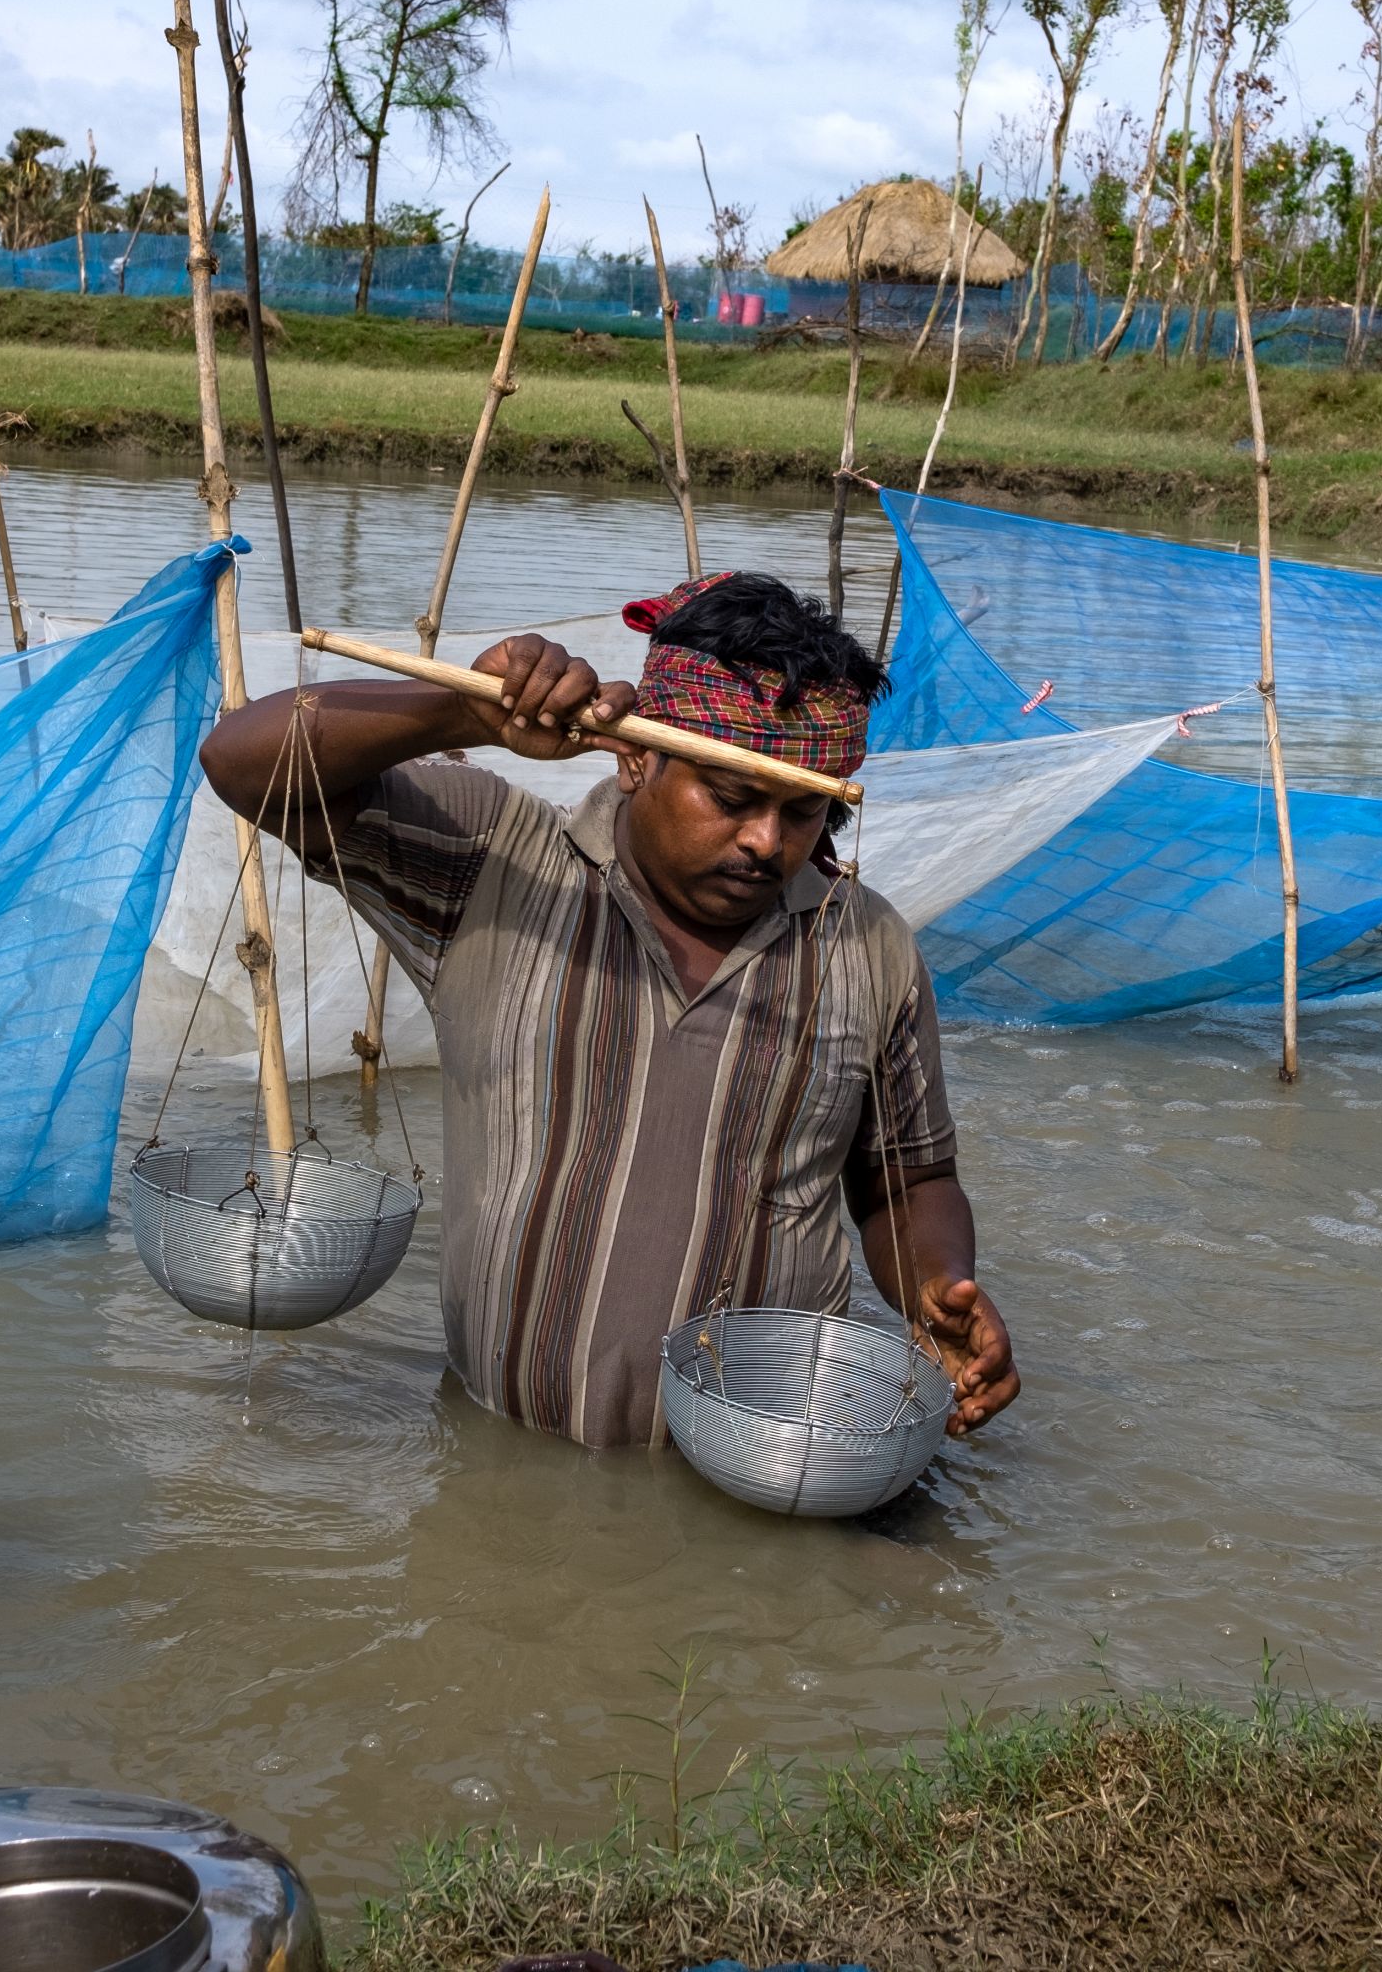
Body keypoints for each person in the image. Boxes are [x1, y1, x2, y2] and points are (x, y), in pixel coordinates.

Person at [197, 571, 1020, 1452]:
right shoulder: (493, 863)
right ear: (636, 757)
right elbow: (243, 764)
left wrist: (939, 1285)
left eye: (803, 812)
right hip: (502, 1461)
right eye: (731, 797)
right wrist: (463, 715)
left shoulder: (867, 948)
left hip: (767, 1469)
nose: (765, 842)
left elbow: (908, 1184)